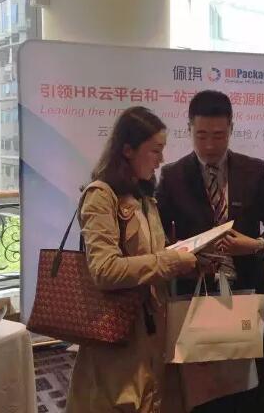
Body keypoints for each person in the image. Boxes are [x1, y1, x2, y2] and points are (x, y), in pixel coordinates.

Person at [156, 90, 264, 412]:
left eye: (218, 136)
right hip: (195, 292)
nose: (209, 146)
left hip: (246, 289)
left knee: (252, 383)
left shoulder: (253, 170)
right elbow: (158, 236)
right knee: (201, 385)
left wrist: (255, 245)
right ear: (189, 129)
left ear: (231, 129)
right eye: (201, 135)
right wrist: (185, 258)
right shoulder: (173, 176)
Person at [66, 107, 197, 413]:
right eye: (155, 150)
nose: (160, 160)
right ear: (127, 150)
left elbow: (153, 252)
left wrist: (187, 257)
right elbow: (104, 270)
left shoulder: (143, 197)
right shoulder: (101, 196)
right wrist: (169, 261)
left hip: (150, 329)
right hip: (117, 333)